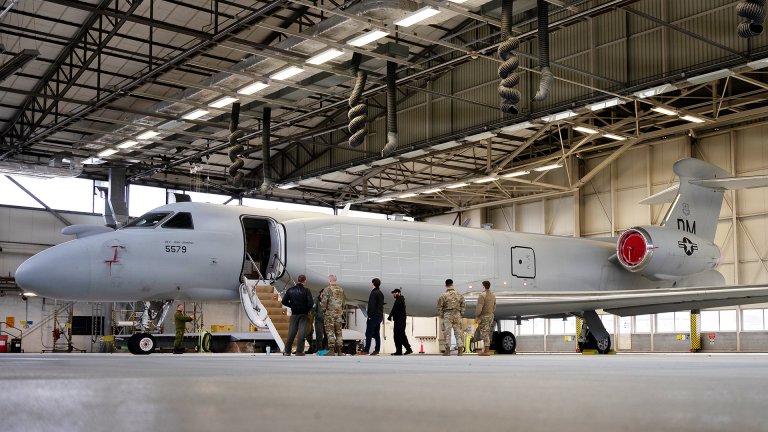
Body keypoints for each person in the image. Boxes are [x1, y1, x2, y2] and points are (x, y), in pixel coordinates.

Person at [281, 274, 314, 356]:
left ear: (297, 280)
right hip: (304, 314)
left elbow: (283, 301)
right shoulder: (307, 291)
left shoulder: (290, 290)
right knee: (302, 333)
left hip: (294, 314)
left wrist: (292, 306)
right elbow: (311, 304)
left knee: (291, 333)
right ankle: (299, 351)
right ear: (305, 281)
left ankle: (287, 351)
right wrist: (306, 309)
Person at [437, 278, 465, 356]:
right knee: (458, 332)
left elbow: (439, 306)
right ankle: (460, 351)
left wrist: (441, 315)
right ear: (452, 284)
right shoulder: (459, 294)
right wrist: (461, 313)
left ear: (446, 285)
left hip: (448, 315)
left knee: (447, 333)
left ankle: (448, 351)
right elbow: (463, 304)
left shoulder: (443, 295)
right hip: (457, 314)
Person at [320, 275, 346, 356]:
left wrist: (324, 310)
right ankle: (339, 351)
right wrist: (341, 310)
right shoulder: (341, 290)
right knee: (339, 332)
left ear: (329, 280)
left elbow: (324, 302)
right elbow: (344, 302)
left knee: (330, 332)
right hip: (338, 314)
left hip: (329, 314)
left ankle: (331, 350)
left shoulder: (327, 289)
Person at [358, 277, 384, 355]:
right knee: (377, 333)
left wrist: (369, 315)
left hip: (373, 317)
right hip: (379, 316)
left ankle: (366, 350)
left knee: (368, 333)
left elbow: (372, 305)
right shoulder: (381, 293)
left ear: (373, 284)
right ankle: (377, 349)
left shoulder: (373, 293)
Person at [388, 288, 413, 355]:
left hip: (400, 321)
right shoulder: (398, 300)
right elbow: (394, 309)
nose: (394, 294)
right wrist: (390, 316)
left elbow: (395, 309)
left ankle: (400, 351)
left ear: (399, 293)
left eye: (395, 293)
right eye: (393, 293)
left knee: (398, 335)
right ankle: (407, 349)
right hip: (398, 320)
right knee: (400, 335)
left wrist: (390, 316)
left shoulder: (400, 300)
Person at [475, 280, 496, 356]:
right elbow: (494, 306)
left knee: (484, 333)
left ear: (483, 286)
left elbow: (479, 308)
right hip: (490, 316)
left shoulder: (482, 295)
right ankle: (486, 350)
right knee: (487, 332)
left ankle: (486, 351)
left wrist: (477, 315)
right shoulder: (493, 295)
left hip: (484, 316)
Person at [313, 287, 328, 352]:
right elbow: (313, 310)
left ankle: (325, 349)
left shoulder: (327, 300)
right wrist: (318, 316)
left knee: (327, 335)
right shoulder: (316, 300)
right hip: (319, 321)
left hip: (326, 321)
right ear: (321, 293)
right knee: (319, 336)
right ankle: (319, 349)